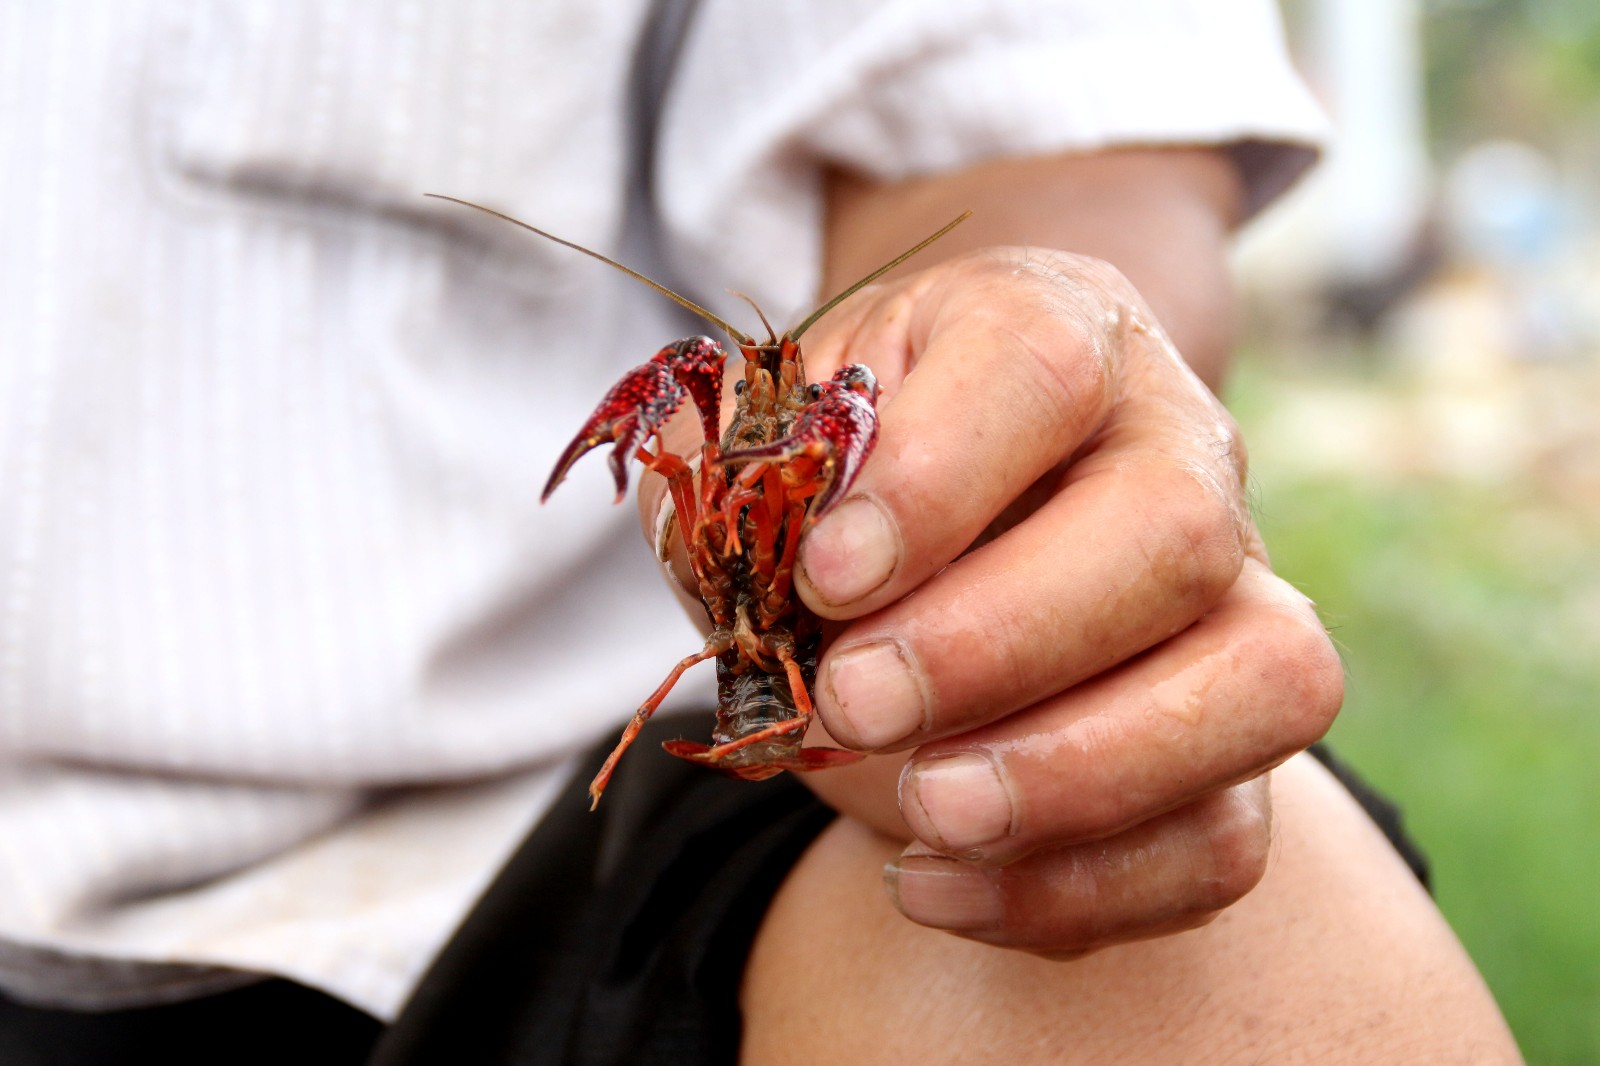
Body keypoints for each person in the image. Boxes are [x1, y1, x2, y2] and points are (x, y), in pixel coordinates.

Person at [0, 1, 1521, 1063]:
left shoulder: (800, 417)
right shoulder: (706, 414)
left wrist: (998, 407)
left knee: (1225, 923)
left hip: (536, 851)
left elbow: (1033, 142)